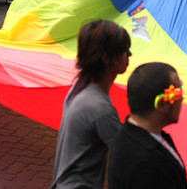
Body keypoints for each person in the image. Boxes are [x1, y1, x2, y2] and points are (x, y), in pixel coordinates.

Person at [52, 20, 131, 189]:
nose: (129, 55)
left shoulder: (80, 87)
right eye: (124, 50)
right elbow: (129, 151)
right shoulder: (99, 108)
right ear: (106, 58)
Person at [108, 62, 187, 189]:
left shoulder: (140, 136)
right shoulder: (145, 163)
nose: (182, 98)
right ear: (162, 104)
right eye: (178, 93)